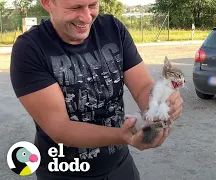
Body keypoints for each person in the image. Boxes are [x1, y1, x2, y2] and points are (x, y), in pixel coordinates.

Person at [9, 0, 184, 179]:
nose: (86, 17)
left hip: (121, 168)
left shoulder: (113, 28)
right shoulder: (30, 49)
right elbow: (60, 128)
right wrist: (124, 136)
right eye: (75, 7)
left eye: (92, 5)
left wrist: (161, 103)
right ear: (47, 3)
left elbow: (143, 88)